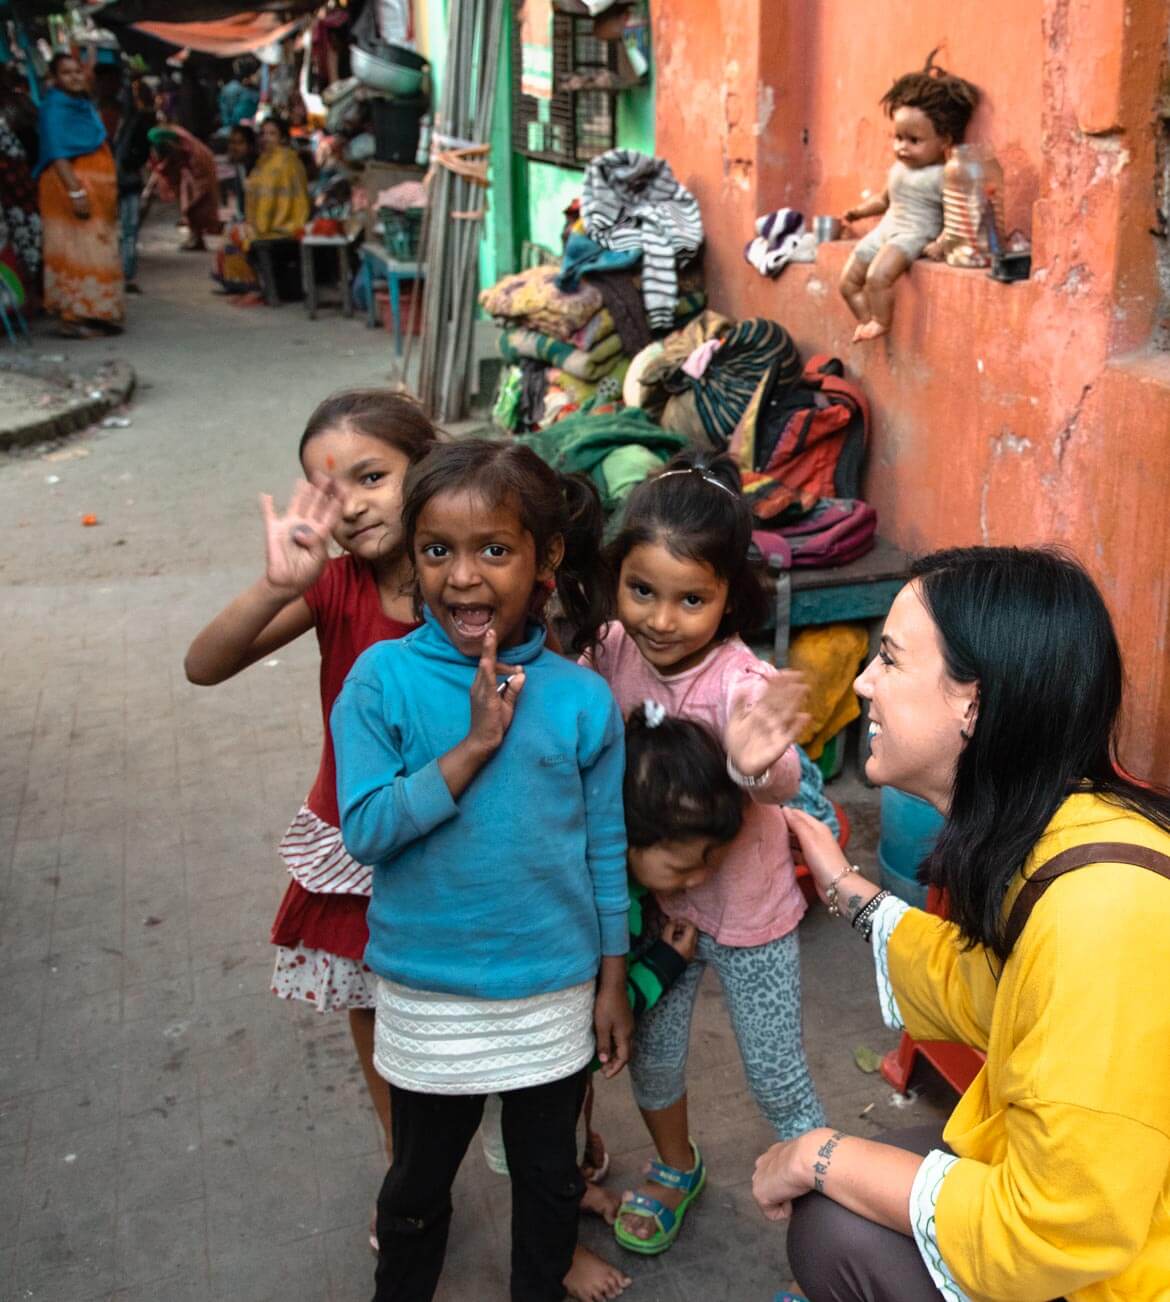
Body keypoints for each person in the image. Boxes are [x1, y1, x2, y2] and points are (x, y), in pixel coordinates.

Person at [752, 546, 1170, 1302]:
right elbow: (989, 989)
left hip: (1126, 1268)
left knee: (832, 1225)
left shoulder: (1102, 918)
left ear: (971, 704)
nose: (863, 685)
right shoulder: (1061, 831)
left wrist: (819, 1155)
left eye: (889, 659)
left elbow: (1059, 1229)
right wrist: (846, 888)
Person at [331, 439, 632, 1302]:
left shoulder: (580, 699)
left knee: (548, 1178)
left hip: (550, 990)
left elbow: (604, 849)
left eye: (494, 550)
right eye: (438, 551)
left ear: (548, 558)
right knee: (418, 1185)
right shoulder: (381, 680)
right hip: (431, 994)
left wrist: (612, 980)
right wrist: (470, 750)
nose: (463, 578)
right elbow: (366, 829)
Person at [184, 390, 439, 1242]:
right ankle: (410, 1182)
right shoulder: (334, 586)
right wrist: (273, 585)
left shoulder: (479, 574)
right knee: (380, 1033)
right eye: (330, 489)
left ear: (429, 466)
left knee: (496, 1014)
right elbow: (203, 665)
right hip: (361, 847)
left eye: (373, 475)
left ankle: (553, 1163)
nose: (354, 502)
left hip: (464, 844)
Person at [584, 448, 827, 1256]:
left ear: (728, 600)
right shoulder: (611, 651)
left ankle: (825, 1203)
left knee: (776, 1070)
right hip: (660, 910)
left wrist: (760, 757)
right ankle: (676, 1165)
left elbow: (782, 778)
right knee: (653, 1054)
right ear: (616, 579)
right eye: (643, 590)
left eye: (692, 598)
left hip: (749, 912)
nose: (661, 617)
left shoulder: (739, 682)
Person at [839, 53, 979, 342]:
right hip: (886, 230)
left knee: (878, 277)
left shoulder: (943, 175)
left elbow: (960, 213)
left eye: (914, 141)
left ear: (945, 141)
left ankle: (881, 321)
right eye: (898, 138)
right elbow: (884, 200)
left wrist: (941, 242)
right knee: (848, 282)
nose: (902, 147)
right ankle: (867, 320)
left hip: (912, 235)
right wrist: (859, 212)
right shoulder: (898, 169)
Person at [33, 52, 123, 338]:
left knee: (97, 248)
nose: (74, 77)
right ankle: (73, 317)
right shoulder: (54, 108)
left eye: (77, 71)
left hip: (94, 192)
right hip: (70, 188)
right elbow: (57, 152)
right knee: (76, 251)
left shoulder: (80, 103)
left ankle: (95, 312)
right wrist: (75, 191)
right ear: (55, 79)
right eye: (66, 73)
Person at [0, 67, 42, 299]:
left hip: (21, 189)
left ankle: (26, 299)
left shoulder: (20, 104)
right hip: (16, 192)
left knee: (27, 247)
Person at [147, 124, 221, 251]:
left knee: (195, 205)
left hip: (200, 173)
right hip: (191, 172)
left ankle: (196, 238)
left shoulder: (192, 151)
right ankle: (196, 238)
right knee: (190, 203)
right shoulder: (176, 143)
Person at [112, 78, 154, 293]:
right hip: (114, 181)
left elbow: (143, 151)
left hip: (126, 180)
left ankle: (126, 273)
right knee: (124, 228)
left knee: (128, 228)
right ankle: (120, 272)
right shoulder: (101, 117)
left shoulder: (135, 121)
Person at [211, 125, 261, 295]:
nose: (234, 147)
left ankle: (248, 283)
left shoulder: (256, 168)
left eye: (240, 143)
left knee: (236, 234)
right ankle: (235, 282)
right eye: (232, 142)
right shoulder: (239, 166)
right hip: (247, 217)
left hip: (260, 219)